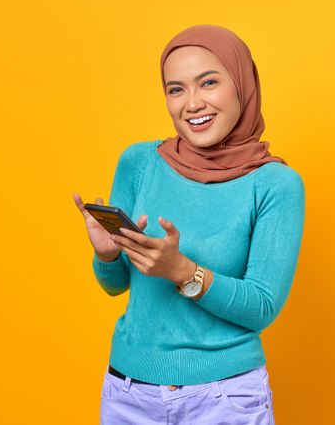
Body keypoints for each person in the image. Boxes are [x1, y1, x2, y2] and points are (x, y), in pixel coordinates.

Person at [73, 24, 305, 425]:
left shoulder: (276, 184)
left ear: (242, 85)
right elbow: (115, 286)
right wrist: (106, 254)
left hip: (225, 398)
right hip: (129, 393)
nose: (192, 103)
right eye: (176, 89)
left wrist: (182, 271)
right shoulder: (139, 163)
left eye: (209, 83)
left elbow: (262, 308)